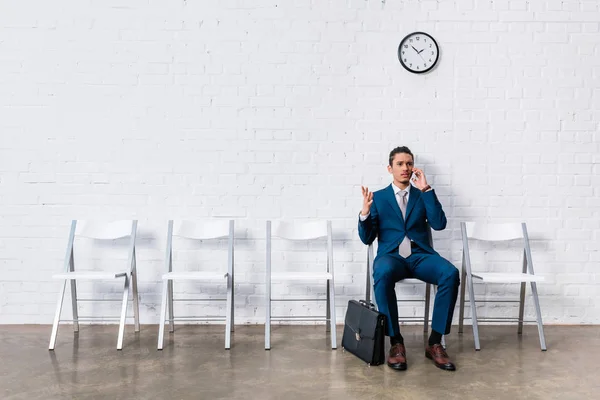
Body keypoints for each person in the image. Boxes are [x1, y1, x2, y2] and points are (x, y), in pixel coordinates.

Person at [358, 146, 460, 371]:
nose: (406, 168)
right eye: (400, 164)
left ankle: (435, 342)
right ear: (390, 168)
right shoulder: (379, 197)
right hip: (392, 257)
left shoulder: (422, 194)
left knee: (450, 273)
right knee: (382, 272)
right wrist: (364, 213)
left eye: (409, 163)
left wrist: (426, 189)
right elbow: (367, 238)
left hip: (420, 256)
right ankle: (396, 342)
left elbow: (439, 224)